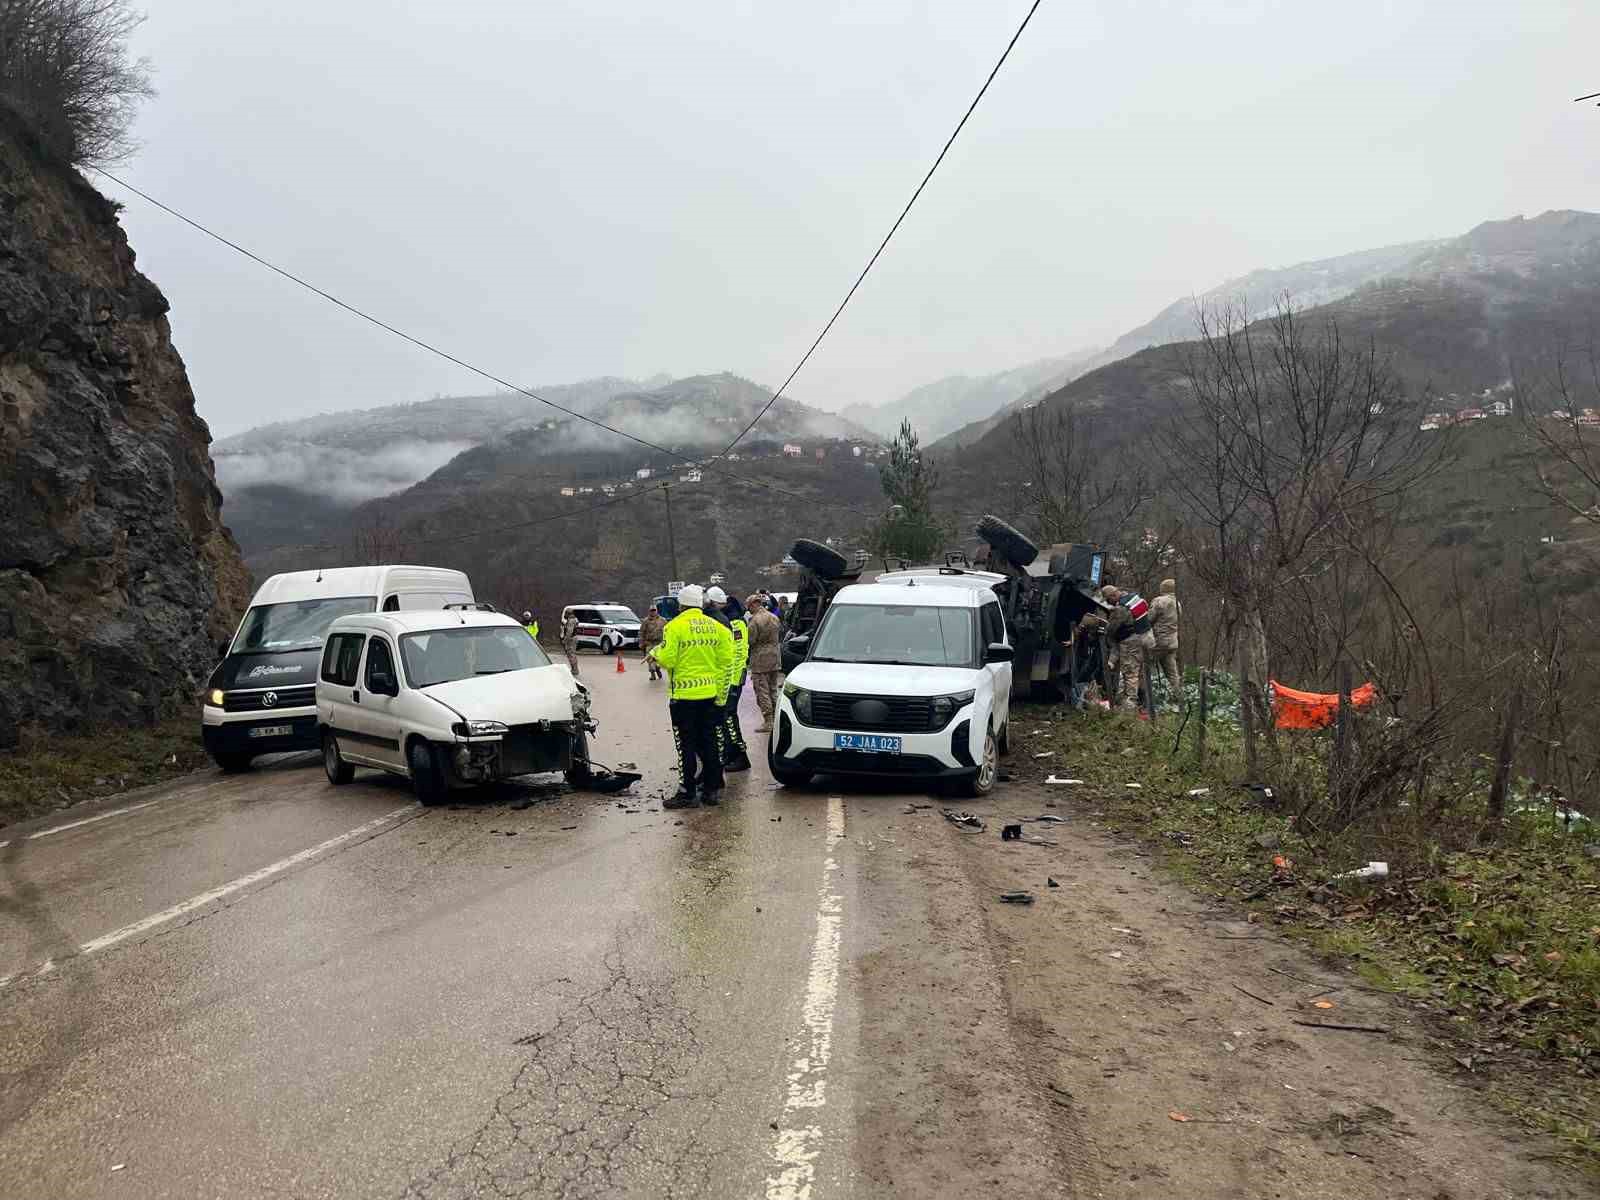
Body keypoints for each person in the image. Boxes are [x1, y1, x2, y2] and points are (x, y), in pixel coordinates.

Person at [650, 584, 733, 809]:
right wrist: (721, 699)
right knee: (709, 743)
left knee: (686, 745)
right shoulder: (718, 628)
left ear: (681, 605)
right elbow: (726, 664)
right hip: (709, 695)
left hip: (683, 698)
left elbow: (669, 660)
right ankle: (711, 791)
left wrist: (655, 653)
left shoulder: (674, 627)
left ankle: (687, 793)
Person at [703, 587, 751, 772]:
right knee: (723, 718)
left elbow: (739, 653)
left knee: (729, 717)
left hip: (734, 677)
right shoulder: (724, 619)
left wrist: (732, 680)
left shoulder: (736, 622)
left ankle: (740, 755)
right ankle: (729, 754)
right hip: (725, 678)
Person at [1103, 585, 1155, 712]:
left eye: (1109, 601)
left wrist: (1106, 630)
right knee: (1141, 672)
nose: (1110, 604)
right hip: (1147, 637)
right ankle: (1145, 702)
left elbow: (1112, 628)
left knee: (1130, 671)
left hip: (1132, 640)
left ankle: (1131, 704)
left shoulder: (1121, 608)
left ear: (1113, 595)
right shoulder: (1135, 598)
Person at [746, 593, 782, 732]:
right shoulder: (774, 617)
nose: (749, 610)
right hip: (775, 657)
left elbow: (751, 641)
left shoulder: (755, 621)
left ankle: (768, 721)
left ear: (753, 604)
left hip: (760, 660)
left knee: (762, 692)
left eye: (749, 607)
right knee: (773, 690)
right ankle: (776, 718)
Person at [1148, 578, 1183, 703]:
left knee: (1145, 665)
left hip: (1159, 642)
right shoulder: (1177, 603)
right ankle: (1178, 699)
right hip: (1172, 643)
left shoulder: (1159, 601)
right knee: (1172, 674)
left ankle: (1149, 697)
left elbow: (1149, 619)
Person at [639, 605, 666, 681]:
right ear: (649, 611)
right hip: (649, 643)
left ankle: (657, 669)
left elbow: (667, 630)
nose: (653, 612)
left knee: (658, 659)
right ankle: (652, 674)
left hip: (659, 643)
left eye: (654, 610)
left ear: (657, 611)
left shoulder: (663, 620)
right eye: (652, 610)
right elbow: (641, 632)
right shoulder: (645, 621)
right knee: (650, 659)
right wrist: (641, 643)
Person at [559, 608, 581, 676]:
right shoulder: (574, 619)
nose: (565, 614)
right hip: (573, 638)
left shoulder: (571, 620)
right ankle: (574, 669)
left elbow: (569, 632)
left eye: (566, 613)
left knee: (571, 654)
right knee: (572, 654)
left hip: (571, 639)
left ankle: (574, 670)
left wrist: (565, 640)